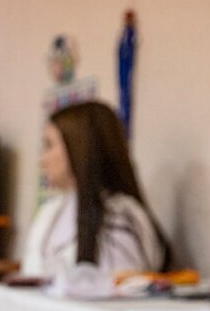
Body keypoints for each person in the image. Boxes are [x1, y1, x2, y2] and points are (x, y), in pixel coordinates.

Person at [21, 100, 172, 277]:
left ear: (79, 147)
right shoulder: (50, 211)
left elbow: (121, 287)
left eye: (49, 145)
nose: (42, 160)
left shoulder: (120, 218)